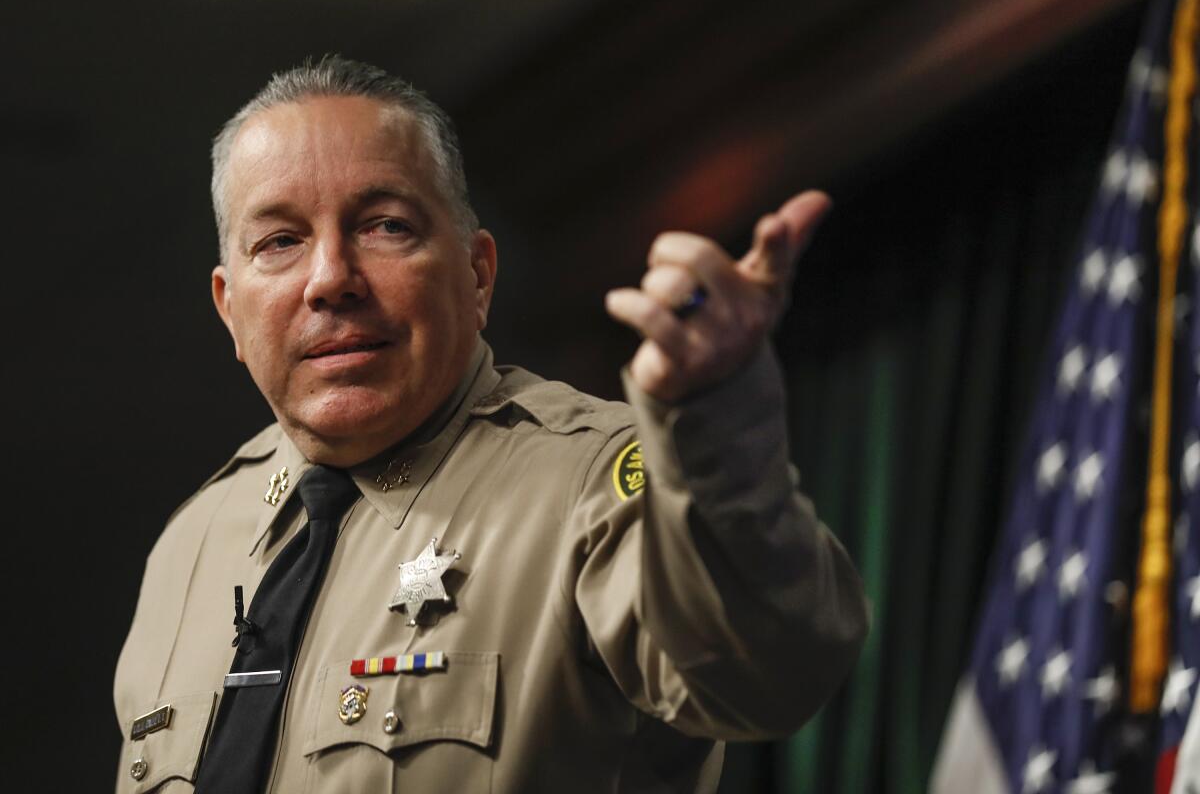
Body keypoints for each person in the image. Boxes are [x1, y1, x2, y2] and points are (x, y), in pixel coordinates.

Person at [113, 56, 868, 793]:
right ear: (230, 310)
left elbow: (768, 677)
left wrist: (717, 423)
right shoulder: (193, 542)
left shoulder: (597, 488)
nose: (329, 279)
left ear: (477, 276)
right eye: (280, 242)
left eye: (384, 226)